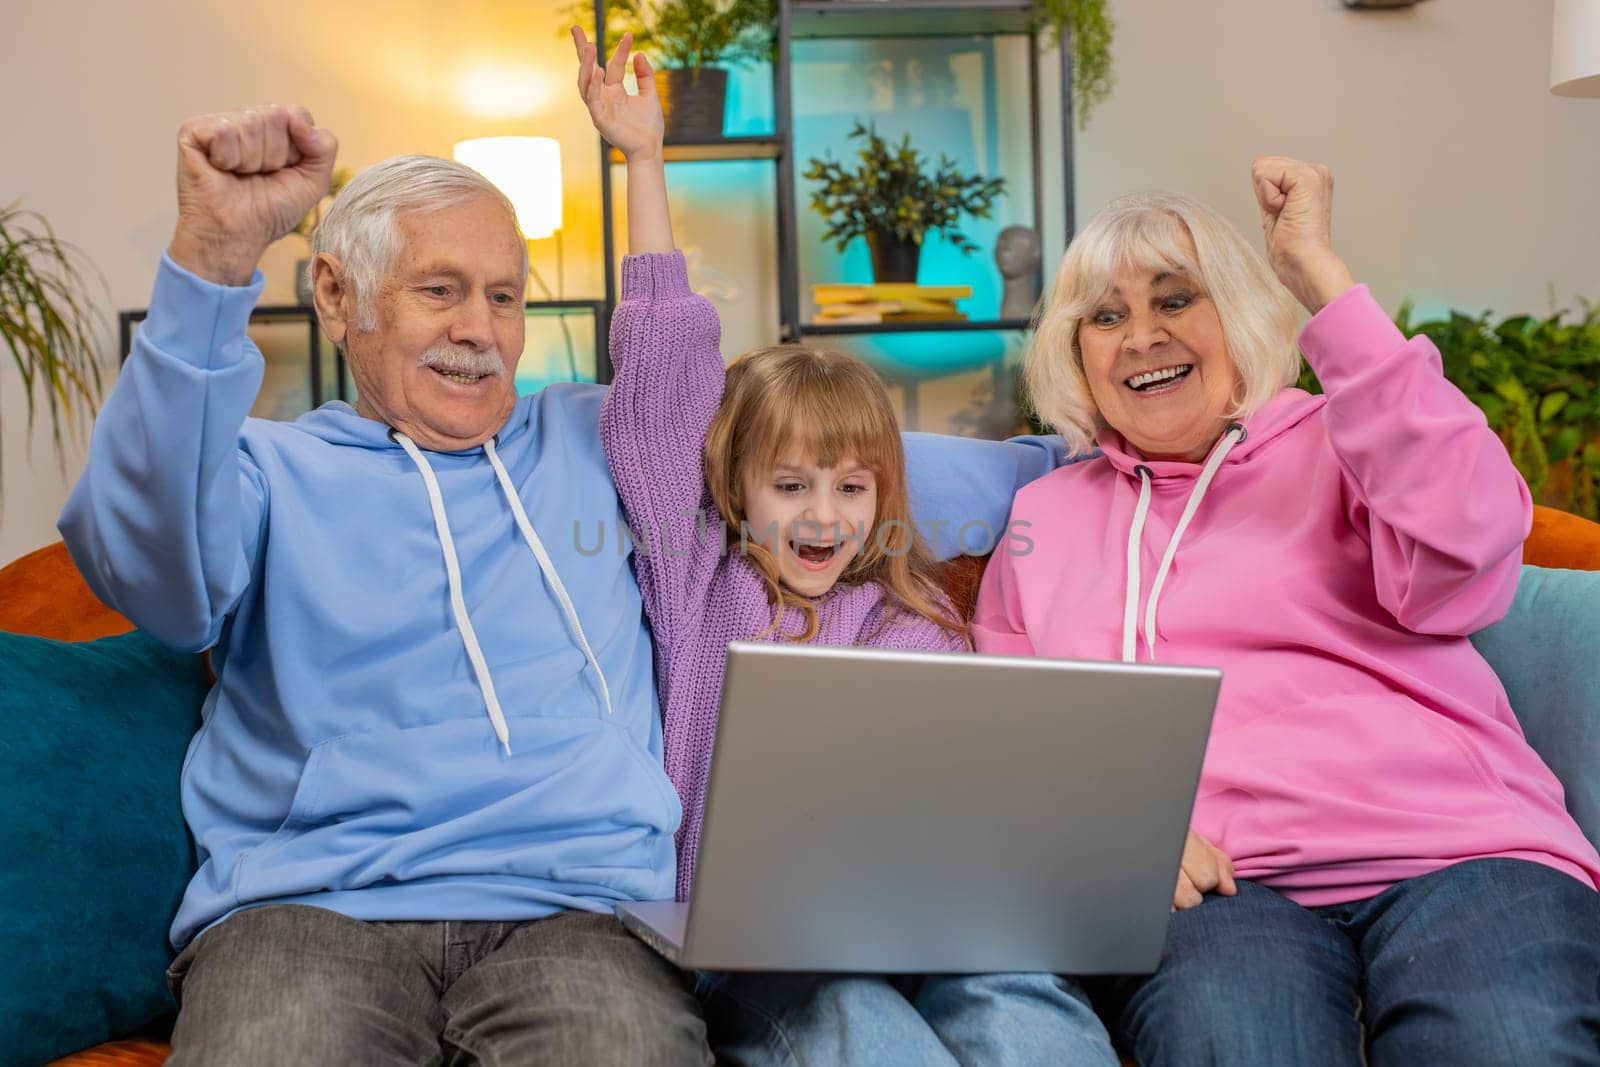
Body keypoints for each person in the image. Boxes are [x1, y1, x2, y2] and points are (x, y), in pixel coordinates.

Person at [58, 105, 712, 1064]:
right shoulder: (264, 470)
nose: (477, 331)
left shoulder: (600, 439)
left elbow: (844, 466)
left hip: (582, 909)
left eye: (503, 296)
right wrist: (212, 259)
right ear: (336, 296)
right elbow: (150, 571)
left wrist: (1019, 475)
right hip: (308, 910)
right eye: (439, 289)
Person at [969, 158, 1600, 1064]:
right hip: (1219, 890)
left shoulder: (1345, 445)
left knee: (1508, 1039)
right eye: (1105, 316)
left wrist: (1318, 276)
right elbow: (1009, 728)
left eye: (1175, 299)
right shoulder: (1044, 517)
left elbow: (1472, 542)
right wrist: (1118, 830)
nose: (1141, 335)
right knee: (1233, 1039)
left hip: (1459, 850)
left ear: (1238, 313)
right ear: (1075, 356)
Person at [573, 28, 1119, 1067]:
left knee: (1022, 1003)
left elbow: (975, 796)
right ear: (730, 490)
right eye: (789, 486)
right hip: (751, 951)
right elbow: (657, 379)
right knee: (859, 1021)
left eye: (850, 486)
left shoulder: (919, 628)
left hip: (925, 923)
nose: (822, 515)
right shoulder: (695, 577)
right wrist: (645, 162)